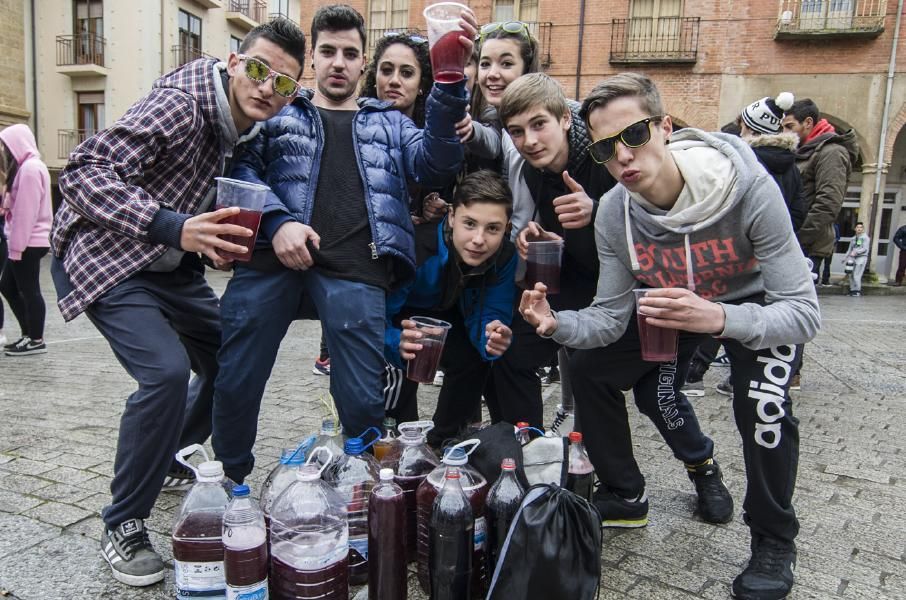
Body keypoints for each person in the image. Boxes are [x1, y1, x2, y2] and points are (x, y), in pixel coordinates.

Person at [519, 73, 820, 600]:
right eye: (608, 149)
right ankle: (625, 493)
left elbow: (803, 313)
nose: (623, 158)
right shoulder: (615, 210)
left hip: (752, 305)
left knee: (763, 404)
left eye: (633, 136)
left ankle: (774, 540)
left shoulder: (745, 186)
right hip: (672, 303)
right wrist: (555, 323)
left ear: (663, 127)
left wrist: (720, 319)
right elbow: (611, 318)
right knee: (590, 367)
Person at [49, 18, 307, 586]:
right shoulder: (182, 103)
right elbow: (83, 173)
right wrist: (175, 227)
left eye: (283, 83)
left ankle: (169, 454)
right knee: (164, 373)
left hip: (170, 264)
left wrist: (205, 243)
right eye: (260, 70)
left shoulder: (245, 128)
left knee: (230, 355)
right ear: (236, 63)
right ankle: (123, 522)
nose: (268, 87)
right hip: (109, 255)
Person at [211, 4, 474, 484]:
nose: (338, 62)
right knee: (237, 379)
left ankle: (360, 484)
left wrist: (451, 82)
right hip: (272, 261)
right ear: (314, 58)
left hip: (357, 267)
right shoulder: (281, 109)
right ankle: (230, 478)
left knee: (361, 399)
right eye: (328, 51)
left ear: (361, 63)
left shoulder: (390, 123)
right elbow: (242, 169)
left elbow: (435, 166)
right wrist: (276, 221)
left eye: (350, 53)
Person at [485, 72, 616, 432]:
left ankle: (612, 473)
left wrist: (598, 210)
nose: (529, 140)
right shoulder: (532, 170)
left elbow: (650, 218)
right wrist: (541, 234)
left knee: (592, 373)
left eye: (539, 124)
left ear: (564, 118)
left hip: (621, 290)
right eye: (516, 131)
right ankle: (527, 447)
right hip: (572, 279)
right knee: (509, 351)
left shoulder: (603, 156)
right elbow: (562, 228)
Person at [683, 92, 807, 397]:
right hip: (774, 259)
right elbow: (799, 211)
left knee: (716, 313)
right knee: (770, 320)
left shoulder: (746, 164)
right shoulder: (791, 165)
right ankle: (759, 381)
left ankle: (695, 375)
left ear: (750, 129)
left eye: (743, 126)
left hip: (736, 255)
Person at [382, 170, 516, 443]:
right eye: (470, 224)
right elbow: (372, 318)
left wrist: (493, 336)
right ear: (452, 216)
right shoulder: (414, 247)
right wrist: (395, 341)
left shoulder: (505, 255)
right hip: (400, 316)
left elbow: (492, 310)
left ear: (507, 226)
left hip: (451, 314)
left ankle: (443, 442)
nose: (479, 239)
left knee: (473, 358)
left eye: (492, 228)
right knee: (397, 373)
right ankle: (397, 442)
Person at [782, 98, 859, 282]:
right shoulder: (805, 151)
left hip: (807, 244)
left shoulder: (831, 152)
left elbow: (828, 204)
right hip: (795, 241)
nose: (785, 132)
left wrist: (797, 239)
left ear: (808, 123)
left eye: (789, 126)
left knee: (798, 306)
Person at [0, 125, 52, 356]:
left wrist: (16, 248)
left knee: (30, 290)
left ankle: (36, 339)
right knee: (8, 286)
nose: (3, 150)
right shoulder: (26, 167)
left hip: (28, 242)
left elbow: (25, 213)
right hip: (26, 240)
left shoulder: (30, 169)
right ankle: (28, 334)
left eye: (5, 145)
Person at [844, 222, 870, 296]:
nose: (859, 229)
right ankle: (852, 290)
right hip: (852, 257)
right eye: (858, 227)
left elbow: (864, 249)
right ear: (855, 229)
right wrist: (845, 257)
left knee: (857, 275)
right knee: (851, 274)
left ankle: (857, 290)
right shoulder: (853, 238)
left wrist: (856, 252)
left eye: (861, 227)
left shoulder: (865, 238)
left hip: (861, 257)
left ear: (863, 229)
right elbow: (850, 249)